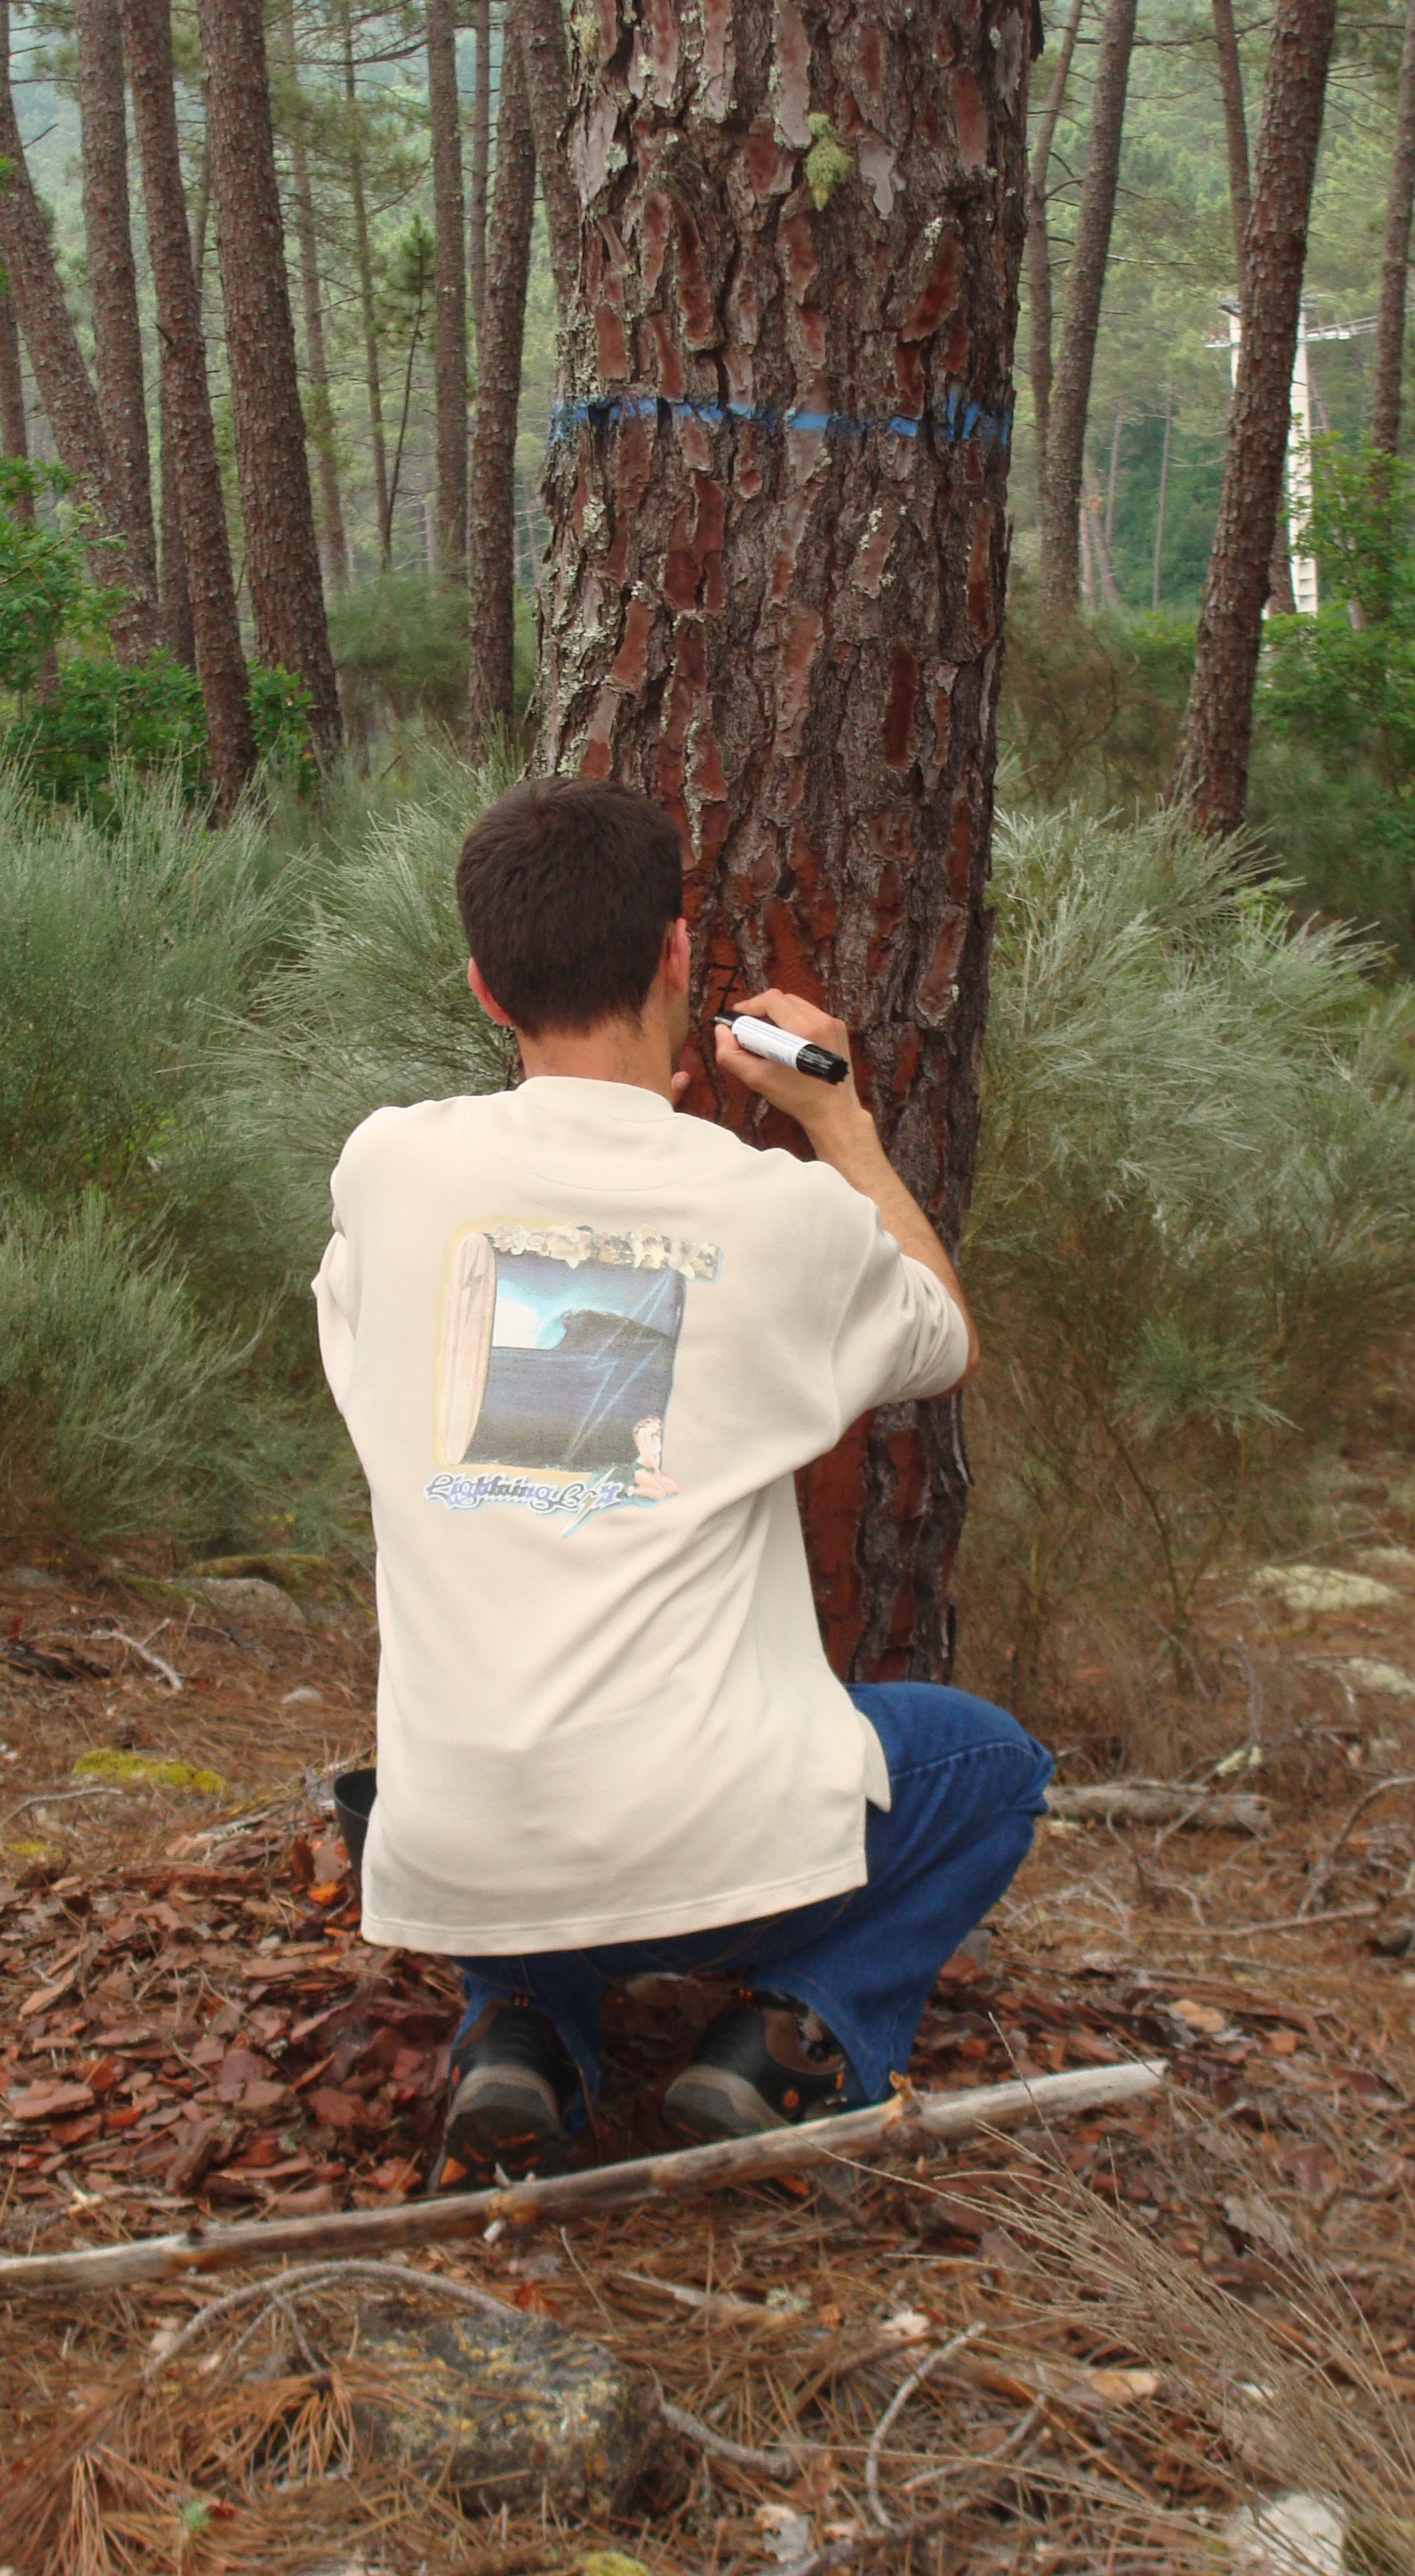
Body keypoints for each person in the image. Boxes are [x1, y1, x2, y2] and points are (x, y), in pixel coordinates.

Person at [312, 777, 1051, 2184]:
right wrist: (838, 1127)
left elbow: (495, 1372)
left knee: (504, 1733)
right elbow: (942, 1340)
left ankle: (523, 2028)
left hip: (457, 1857)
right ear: (675, 956)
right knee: (992, 1765)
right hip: (718, 1864)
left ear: (483, 985)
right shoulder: (772, 1212)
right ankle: (786, 2041)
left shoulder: (387, 1170)